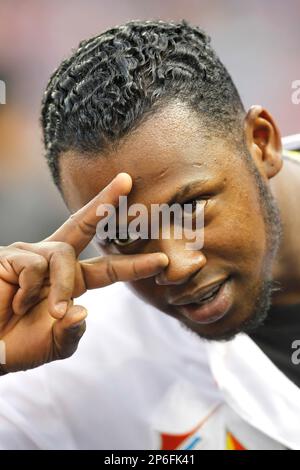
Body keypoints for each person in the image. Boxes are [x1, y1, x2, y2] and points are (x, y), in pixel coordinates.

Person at [0, 19, 299, 449]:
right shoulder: (80, 359)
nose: (177, 265)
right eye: (124, 233)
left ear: (261, 142)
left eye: (190, 209)